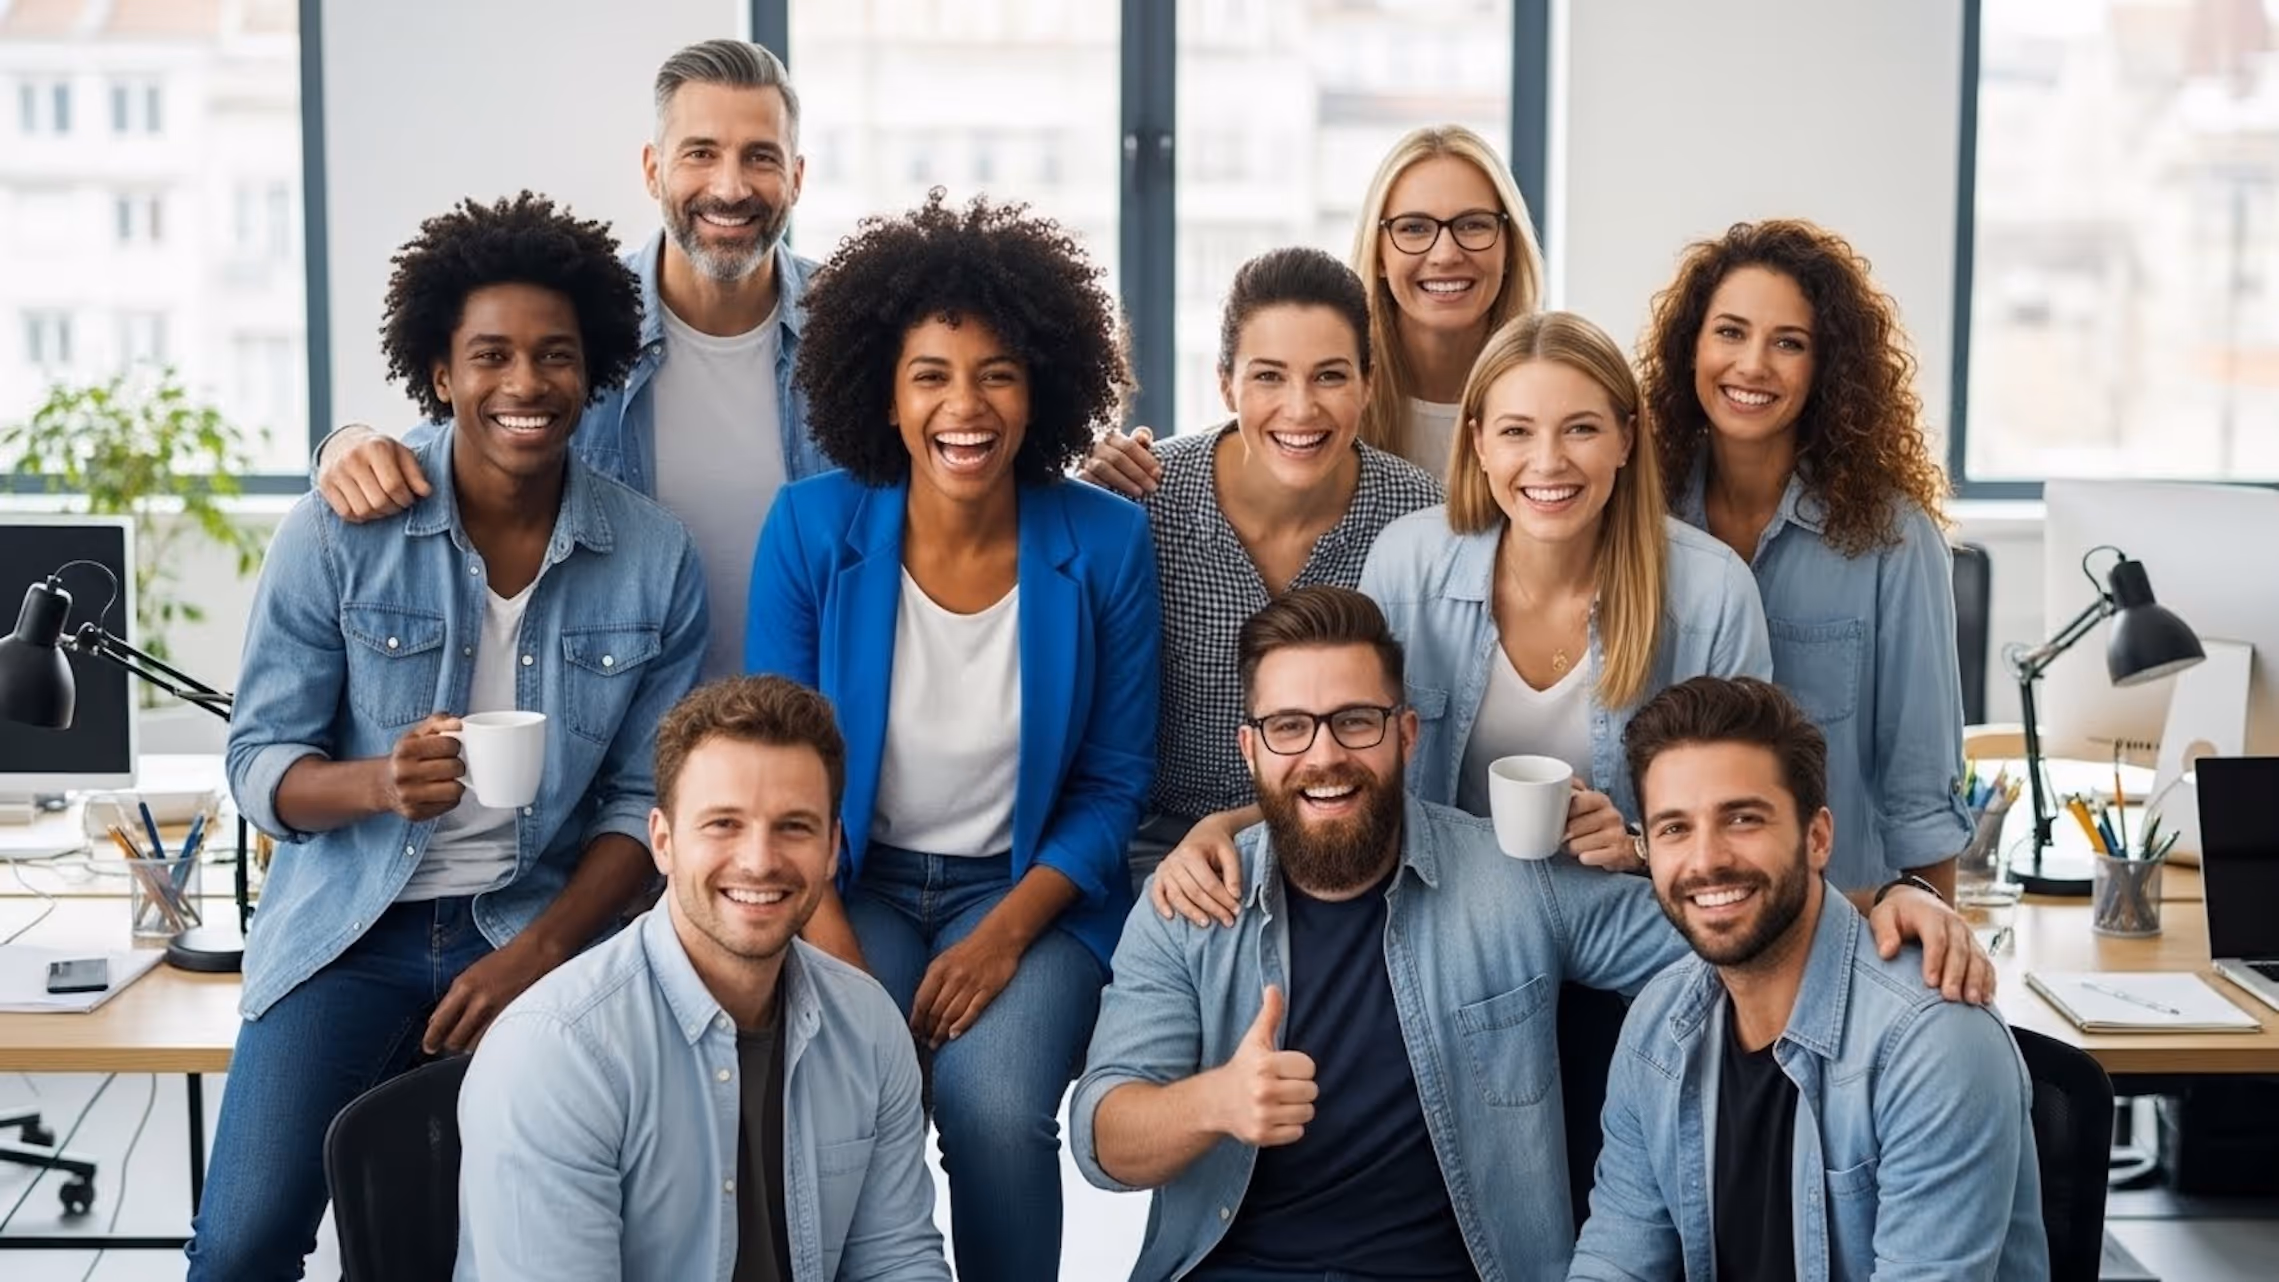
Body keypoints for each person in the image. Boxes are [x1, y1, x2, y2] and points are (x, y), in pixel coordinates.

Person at [1073, 588, 1994, 1282]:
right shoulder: (1190, 902)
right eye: (1288, 728)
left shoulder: (1514, 877)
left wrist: (1884, 905)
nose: (1321, 755)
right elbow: (1099, 1139)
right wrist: (1217, 1104)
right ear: (1251, 750)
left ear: (1403, 734)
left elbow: (1736, 932)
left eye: (1353, 722)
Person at [195, 193, 707, 1281]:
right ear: (440, 371)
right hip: (345, 931)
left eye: (555, 357)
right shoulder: (342, 530)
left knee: (507, 1247)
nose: (525, 385)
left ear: (594, 371)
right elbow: (256, 764)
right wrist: (379, 783)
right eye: (491, 356)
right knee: (238, 1245)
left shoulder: (654, 558)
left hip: (538, 928)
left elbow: (638, 806)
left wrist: (541, 951)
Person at [746, 189, 1160, 1282]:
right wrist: (825, 932)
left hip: (1027, 889)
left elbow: (1116, 781)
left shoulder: (1105, 541)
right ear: (883, 392)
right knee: (832, 1086)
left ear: (1043, 390)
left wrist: (1004, 932)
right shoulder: (808, 528)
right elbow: (772, 766)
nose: (962, 406)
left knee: (990, 1106)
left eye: (997, 374)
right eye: (930, 374)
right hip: (855, 884)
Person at [311, 39, 820, 678]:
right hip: (628, 744)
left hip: (810, 742)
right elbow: (468, 434)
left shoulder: (851, 332)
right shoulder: (582, 318)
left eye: (760, 157)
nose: (730, 186)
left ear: (796, 178)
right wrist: (344, 444)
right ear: (653, 170)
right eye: (700, 153)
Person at [456, 676, 951, 1282]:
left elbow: (897, 1262)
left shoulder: (870, 1026)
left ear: (830, 849)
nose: (759, 860)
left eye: (794, 826)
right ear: (662, 842)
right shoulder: (555, 1053)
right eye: (723, 824)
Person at [1569, 676, 2048, 1280]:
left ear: (1817, 837)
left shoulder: (1933, 1043)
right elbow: (1616, 1261)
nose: (1706, 859)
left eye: (1742, 819)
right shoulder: (1658, 1026)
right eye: (1674, 828)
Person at [1643, 219, 1973, 900]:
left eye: (1787, 343)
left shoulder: (1893, 539)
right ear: (1690, 347)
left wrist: (1925, 956)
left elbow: (1921, 791)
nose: (1752, 365)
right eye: (1729, 332)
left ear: (1826, 368)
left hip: (1840, 928)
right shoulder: (1640, 519)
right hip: (1662, 926)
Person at [1127, 246, 1442, 889]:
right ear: (1225, 384)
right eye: (1268, 376)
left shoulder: (1420, 517)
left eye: (1329, 376)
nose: (1300, 410)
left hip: (1353, 829)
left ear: (1368, 382)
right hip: (1159, 843)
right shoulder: (1145, 501)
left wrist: (1239, 826)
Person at [1085, 124, 1542, 492]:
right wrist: (1114, 469)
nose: (1445, 254)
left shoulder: (1554, 394)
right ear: (1380, 251)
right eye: (1415, 228)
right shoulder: (1327, 386)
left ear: (1509, 245)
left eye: (1474, 225)